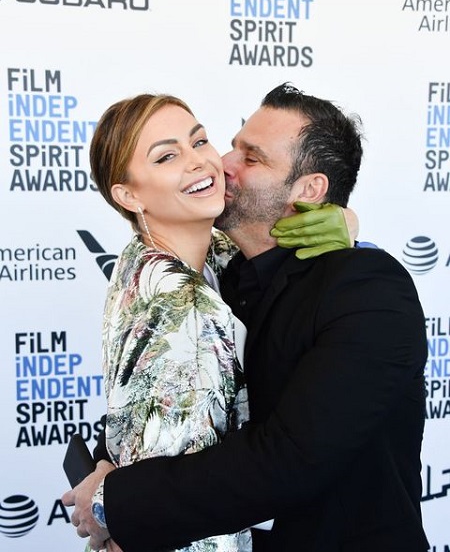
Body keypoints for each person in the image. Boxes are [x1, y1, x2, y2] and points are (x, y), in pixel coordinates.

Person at [64, 83, 429, 552]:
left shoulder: (371, 292)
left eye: (251, 158)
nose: (221, 163)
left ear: (310, 191)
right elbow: (165, 395)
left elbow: (289, 458)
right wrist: (106, 465)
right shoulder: (217, 271)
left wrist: (120, 502)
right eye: (232, 144)